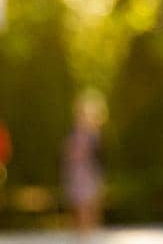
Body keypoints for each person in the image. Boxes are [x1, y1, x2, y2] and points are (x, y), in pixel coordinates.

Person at [61, 90, 106, 234]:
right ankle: (84, 233)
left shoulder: (91, 133)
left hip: (85, 174)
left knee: (88, 205)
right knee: (80, 206)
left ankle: (89, 233)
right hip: (79, 174)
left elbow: (79, 153)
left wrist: (71, 153)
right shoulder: (79, 132)